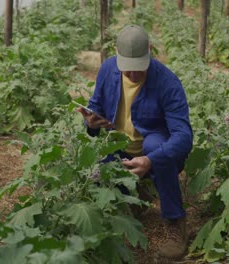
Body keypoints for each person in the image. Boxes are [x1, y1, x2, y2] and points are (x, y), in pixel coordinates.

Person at [77, 25, 193, 260]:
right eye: (127, 70)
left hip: (152, 151)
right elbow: (96, 104)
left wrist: (151, 160)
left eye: (138, 69)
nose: (132, 75)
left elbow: (183, 136)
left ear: (150, 51)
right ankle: (137, 196)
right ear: (117, 55)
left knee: (156, 146)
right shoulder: (108, 69)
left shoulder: (167, 82)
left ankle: (175, 222)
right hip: (118, 150)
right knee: (99, 177)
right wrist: (91, 122)